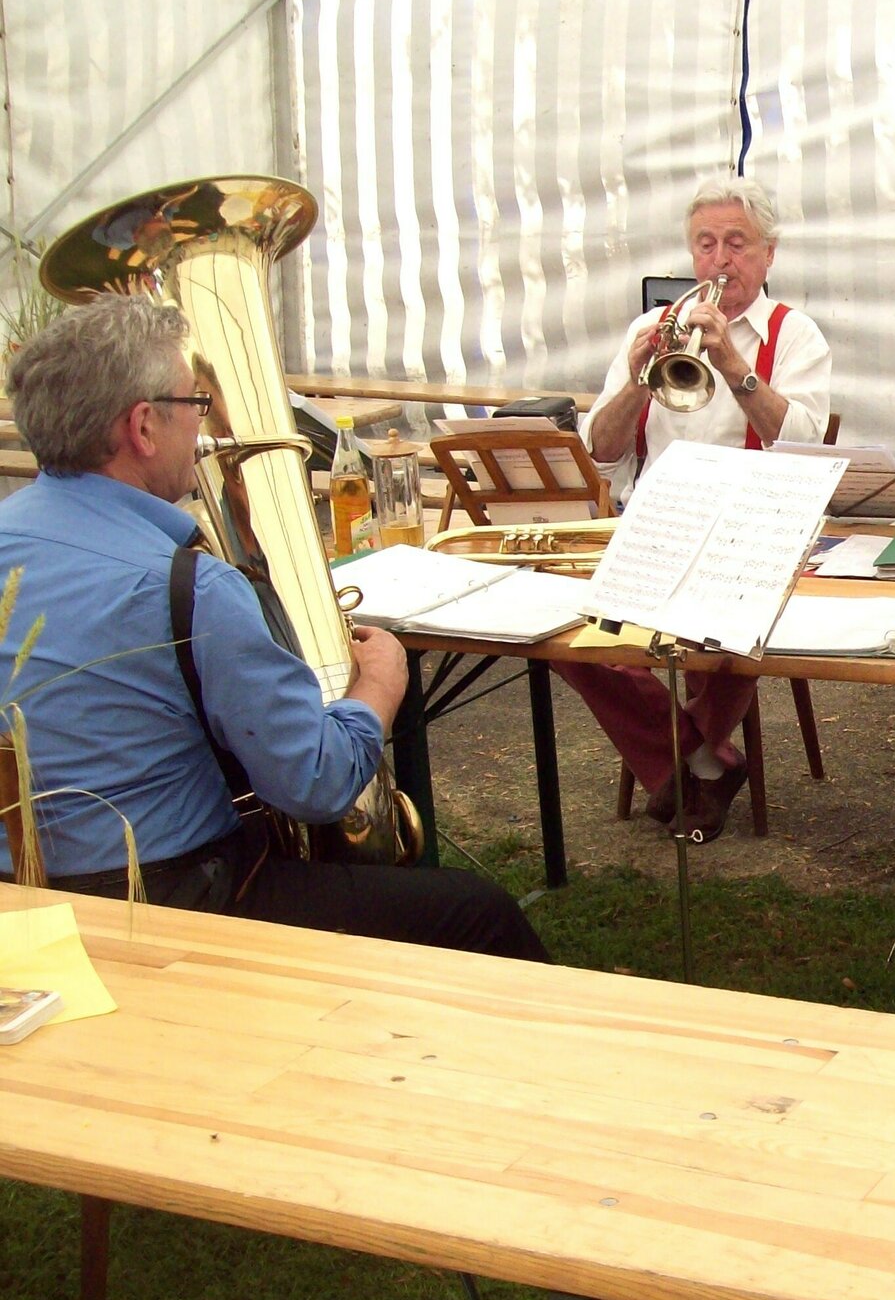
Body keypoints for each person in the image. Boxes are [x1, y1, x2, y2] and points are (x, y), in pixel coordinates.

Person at [0, 295, 546, 961]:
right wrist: (378, 686)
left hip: (21, 901)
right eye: (193, 404)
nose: (204, 426)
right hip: (174, 906)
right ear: (143, 426)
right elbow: (313, 786)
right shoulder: (190, 587)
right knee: (481, 915)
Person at [567, 175, 831, 842]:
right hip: (657, 529)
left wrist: (736, 365)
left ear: (768, 254)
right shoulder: (650, 329)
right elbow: (600, 451)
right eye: (706, 244)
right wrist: (634, 378)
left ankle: (684, 767)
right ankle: (704, 761)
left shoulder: (795, 335)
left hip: (757, 534)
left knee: (737, 622)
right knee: (570, 642)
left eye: (737, 244)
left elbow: (803, 442)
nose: (720, 260)